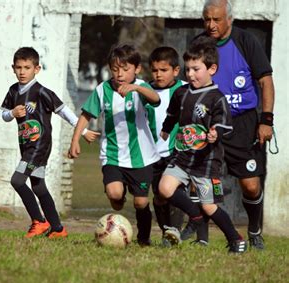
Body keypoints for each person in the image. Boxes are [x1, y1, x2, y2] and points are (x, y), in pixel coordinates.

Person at [181, 0, 275, 250]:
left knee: (251, 185)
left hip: (242, 123)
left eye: (216, 19)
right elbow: (189, 85)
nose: (210, 25)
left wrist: (266, 120)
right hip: (209, 122)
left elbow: (265, 81)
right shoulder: (199, 44)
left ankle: (254, 230)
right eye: (207, 19)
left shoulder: (246, 42)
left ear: (229, 19)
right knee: (197, 180)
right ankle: (200, 234)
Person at [158, 36, 247, 253]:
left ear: (212, 69)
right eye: (187, 69)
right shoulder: (181, 92)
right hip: (182, 157)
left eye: (196, 69)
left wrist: (216, 132)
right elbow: (172, 114)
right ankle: (195, 216)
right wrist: (167, 129)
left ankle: (236, 239)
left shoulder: (217, 98)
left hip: (207, 161)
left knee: (209, 205)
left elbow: (224, 124)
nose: (190, 74)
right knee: (164, 188)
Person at [1, 47, 99, 239]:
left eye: (27, 67)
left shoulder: (42, 92)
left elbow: (64, 111)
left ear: (36, 69)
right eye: (19, 67)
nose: (22, 72)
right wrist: (12, 113)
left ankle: (39, 221)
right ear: (13, 68)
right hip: (26, 145)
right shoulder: (13, 91)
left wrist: (84, 131)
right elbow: (3, 114)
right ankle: (58, 228)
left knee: (17, 180)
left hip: (40, 146)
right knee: (38, 186)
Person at [69, 43, 161, 246]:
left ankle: (144, 239)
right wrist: (75, 140)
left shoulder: (142, 88)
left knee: (141, 202)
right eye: (115, 69)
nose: (119, 74)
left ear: (136, 69)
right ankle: (119, 197)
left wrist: (137, 88)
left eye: (125, 69)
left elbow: (156, 99)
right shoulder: (102, 90)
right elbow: (86, 115)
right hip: (112, 154)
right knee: (115, 195)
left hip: (141, 156)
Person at [146, 46, 188, 246]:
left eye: (164, 70)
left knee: (171, 191)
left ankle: (176, 230)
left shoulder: (185, 90)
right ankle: (166, 232)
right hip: (152, 154)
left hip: (176, 151)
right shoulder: (145, 91)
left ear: (176, 71)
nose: (158, 74)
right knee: (159, 196)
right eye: (155, 70)